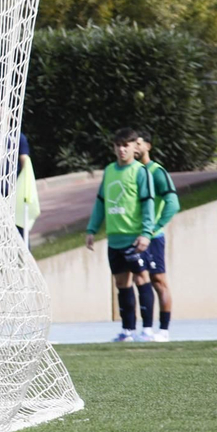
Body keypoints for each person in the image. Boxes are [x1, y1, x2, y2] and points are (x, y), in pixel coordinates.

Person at [85, 127, 155, 342]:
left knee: (142, 279)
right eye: (118, 145)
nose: (122, 149)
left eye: (126, 145)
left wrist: (146, 233)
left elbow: (148, 204)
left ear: (135, 147)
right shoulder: (109, 171)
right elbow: (101, 202)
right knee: (121, 283)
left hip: (134, 238)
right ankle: (127, 331)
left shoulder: (140, 171)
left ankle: (148, 330)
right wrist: (92, 229)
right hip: (114, 238)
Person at [133, 133, 181, 341]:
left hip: (152, 238)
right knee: (137, 280)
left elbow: (173, 204)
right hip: (132, 237)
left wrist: (155, 227)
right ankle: (144, 330)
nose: (134, 147)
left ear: (148, 146)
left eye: (138, 143)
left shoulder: (156, 172)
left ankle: (164, 330)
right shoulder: (131, 172)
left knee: (158, 280)